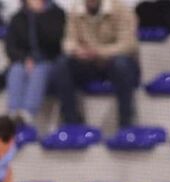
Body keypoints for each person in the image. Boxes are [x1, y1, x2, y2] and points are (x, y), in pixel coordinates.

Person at [51, 0, 140, 129]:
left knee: (122, 64)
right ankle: (72, 122)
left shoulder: (121, 10)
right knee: (62, 64)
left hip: (115, 62)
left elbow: (128, 44)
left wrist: (99, 52)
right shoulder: (75, 11)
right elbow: (68, 41)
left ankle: (126, 123)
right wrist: (77, 51)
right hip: (89, 63)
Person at [5, 0, 66, 123]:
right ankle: (13, 112)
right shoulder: (17, 17)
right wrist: (24, 59)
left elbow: (55, 42)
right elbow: (10, 47)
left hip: (49, 60)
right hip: (24, 60)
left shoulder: (57, 14)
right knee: (16, 70)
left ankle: (27, 114)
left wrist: (40, 17)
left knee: (39, 70)